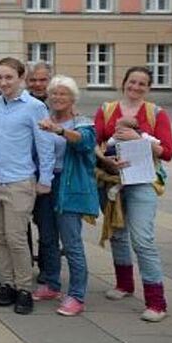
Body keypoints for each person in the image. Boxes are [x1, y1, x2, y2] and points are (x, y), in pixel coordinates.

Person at [95, 66, 172, 322]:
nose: (136, 87)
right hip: (111, 180)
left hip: (142, 182)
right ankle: (124, 284)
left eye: (142, 84)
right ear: (124, 83)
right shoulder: (107, 109)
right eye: (132, 82)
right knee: (118, 235)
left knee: (143, 240)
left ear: (148, 88)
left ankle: (156, 302)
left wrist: (139, 137)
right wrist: (106, 161)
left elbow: (168, 152)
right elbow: (94, 142)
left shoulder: (155, 113)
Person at [0, 57, 55, 315]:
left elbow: (45, 144)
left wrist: (45, 179)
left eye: (9, 77)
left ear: (20, 78)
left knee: (16, 239)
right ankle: (9, 284)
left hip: (19, 182)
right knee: (1, 238)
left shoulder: (34, 107)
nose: (3, 82)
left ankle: (25, 288)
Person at [34, 75, 97, 316]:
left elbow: (85, 143)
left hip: (69, 185)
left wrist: (59, 130)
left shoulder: (82, 123)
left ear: (73, 98)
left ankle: (77, 295)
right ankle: (51, 284)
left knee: (71, 243)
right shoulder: (44, 120)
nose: (58, 98)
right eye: (54, 94)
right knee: (47, 237)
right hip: (45, 182)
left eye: (63, 94)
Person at [27, 61, 54, 282]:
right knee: (19, 226)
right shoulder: (22, 103)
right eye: (33, 80)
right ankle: (24, 264)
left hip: (47, 173)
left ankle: (47, 269)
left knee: (46, 227)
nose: (37, 84)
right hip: (22, 172)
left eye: (42, 80)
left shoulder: (58, 105)